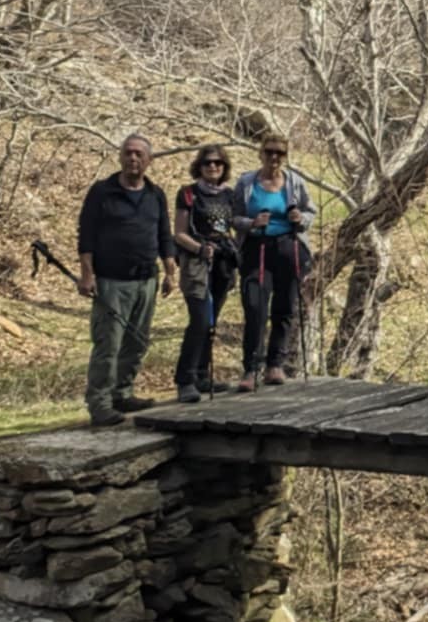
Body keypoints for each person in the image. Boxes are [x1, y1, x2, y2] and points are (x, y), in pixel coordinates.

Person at [75, 134, 178, 426]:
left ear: (149, 160)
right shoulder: (102, 192)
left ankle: (123, 392)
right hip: (111, 282)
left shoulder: (155, 194)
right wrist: (87, 275)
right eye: (128, 153)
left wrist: (170, 272)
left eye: (139, 155)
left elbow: (164, 235)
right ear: (120, 157)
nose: (133, 159)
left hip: (146, 280)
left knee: (137, 342)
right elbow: (86, 235)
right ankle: (100, 403)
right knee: (108, 344)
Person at [232, 134, 316, 391]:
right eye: (269, 151)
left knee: (285, 306)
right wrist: (251, 224)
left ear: (285, 156)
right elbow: (233, 217)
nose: (274, 157)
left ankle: (275, 364)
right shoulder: (247, 182)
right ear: (261, 153)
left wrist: (300, 218)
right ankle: (251, 367)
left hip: (288, 246)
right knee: (255, 306)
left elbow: (310, 212)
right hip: (256, 247)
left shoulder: (294, 182)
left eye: (280, 153)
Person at [172, 145, 240, 403]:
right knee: (200, 319)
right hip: (197, 263)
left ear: (224, 167)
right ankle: (185, 379)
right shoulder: (188, 194)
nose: (213, 167)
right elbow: (179, 232)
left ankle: (202, 373)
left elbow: (233, 225)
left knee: (211, 321)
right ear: (199, 166)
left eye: (218, 163)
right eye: (207, 163)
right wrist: (199, 248)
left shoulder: (229, 195)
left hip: (223, 263)